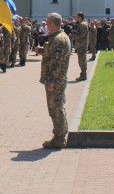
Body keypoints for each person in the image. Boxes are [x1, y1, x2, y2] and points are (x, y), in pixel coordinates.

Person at [40, 12, 72, 149]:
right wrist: (43, 50)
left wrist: (51, 81)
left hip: (55, 81)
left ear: (52, 24)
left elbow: (56, 63)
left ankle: (59, 138)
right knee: (58, 107)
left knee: (56, 108)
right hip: (58, 79)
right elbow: (53, 55)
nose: (46, 26)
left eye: (47, 24)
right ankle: (60, 135)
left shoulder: (58, 39)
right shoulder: (60, 37)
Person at [70, 13, 89, 81]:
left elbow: (82, 35)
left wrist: (73, 34)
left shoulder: (83, 24)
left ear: (80, 17)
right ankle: (83, 74)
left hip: (82, 45)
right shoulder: (80, 24)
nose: (76, 18)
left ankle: (83, 75)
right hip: (80, 45)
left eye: (77, 17)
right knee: (81, 60)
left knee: (82, 60)